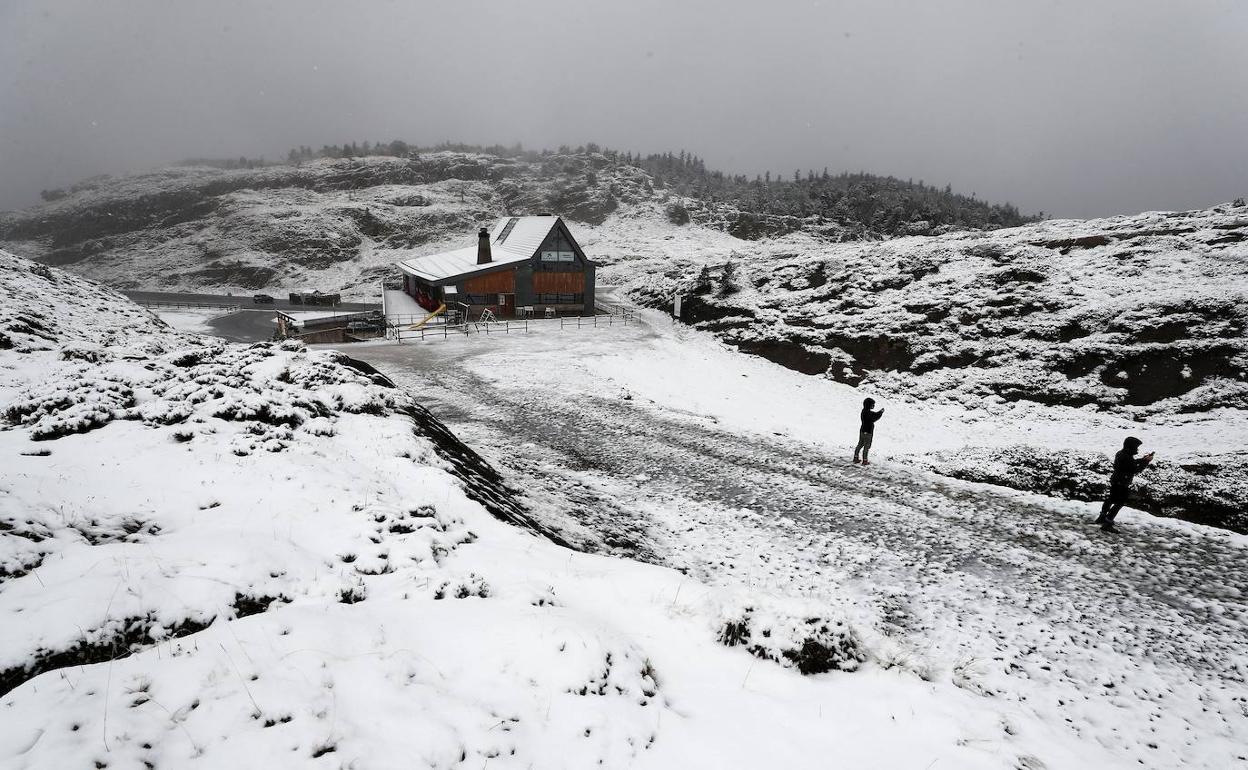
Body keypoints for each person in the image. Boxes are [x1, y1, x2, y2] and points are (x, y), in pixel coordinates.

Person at [1094, 436, 1154, 532]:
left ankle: (1102, 517)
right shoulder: (1127, 457)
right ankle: (1107, 523)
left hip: (1116, 480)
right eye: (1136, 447)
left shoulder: (1121, 453)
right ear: (1131, 446)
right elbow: (1135, 469)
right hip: (1122, 482)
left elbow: (1131, 463)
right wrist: (1146, 462)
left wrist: (1142, 460)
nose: (1137, 449)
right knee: (1120, 502)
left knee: (1111, 499)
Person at [853, 397, 884, 465]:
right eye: (873, 404)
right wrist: (881, 412)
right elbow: (875, 417)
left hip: (862, 430)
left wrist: (879, 412)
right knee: (866, 446)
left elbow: (874, 414)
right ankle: (865, 460)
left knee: (860, 444)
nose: (873, 406)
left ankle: (855, 457)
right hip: (868, 432)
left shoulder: (864, 411)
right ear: (869, 405)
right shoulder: (868, 413)